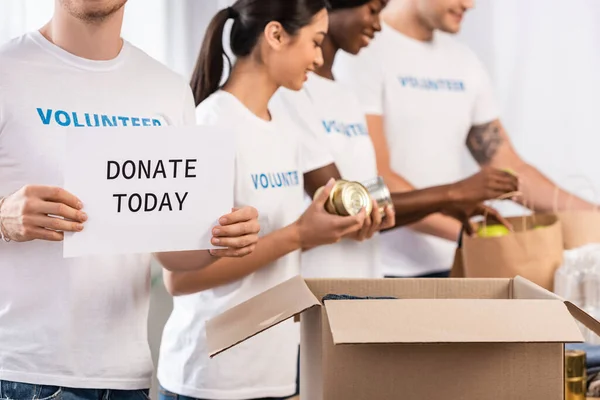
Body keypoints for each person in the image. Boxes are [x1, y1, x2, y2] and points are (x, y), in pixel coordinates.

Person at [0, 0, 260, 398]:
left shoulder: (168, 90)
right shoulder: (6, 70)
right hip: (23, 372)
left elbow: (174, 256)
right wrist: (4, 218)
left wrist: (222, 239)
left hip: (128, 378)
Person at [156, 1, 366, 400]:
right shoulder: (211, 124)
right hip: (210, 378)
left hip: (275, 371)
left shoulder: (285, 127)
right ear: (275, 35)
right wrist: (300, 234)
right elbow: (180, 279)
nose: (320, 57)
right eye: (315, 42)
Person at [332, 0, 596, 278]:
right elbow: (376, 177)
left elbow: (509, 167)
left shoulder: (463, 61)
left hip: (459, 262)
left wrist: (591, 214)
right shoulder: (361, 49)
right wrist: (472, 233)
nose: (470, 5)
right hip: (385, 269)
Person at [271, 0, 519, 279]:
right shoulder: (289, 95)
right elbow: (342, 210)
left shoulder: (346, 97)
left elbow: (373, 210)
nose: (378, 24)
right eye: (373, 10)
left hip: (365, 284)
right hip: (315, 288)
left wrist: (445, 203)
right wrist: (452, 193)